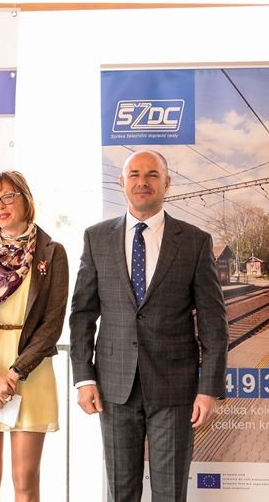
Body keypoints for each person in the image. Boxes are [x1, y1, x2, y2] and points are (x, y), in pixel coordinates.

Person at [68, 150, 228, 502]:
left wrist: (209, 388)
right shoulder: (96, 238)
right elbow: (82, 313)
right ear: (122, 182)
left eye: (152, 175)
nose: (143, 182)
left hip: (175, 389)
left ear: (167, 183)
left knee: (170, 492)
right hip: (113, 388)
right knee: (121, 492)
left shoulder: (195, 241)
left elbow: (214, 324)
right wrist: (84, 378)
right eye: (135, 174)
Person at [0, 170, 69, 502]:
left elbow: (52, 324)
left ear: (25, 199)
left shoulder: (52, 252)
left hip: (30, 371)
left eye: (8, 197)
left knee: (26, 483)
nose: (0, 206)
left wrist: (15, 373)